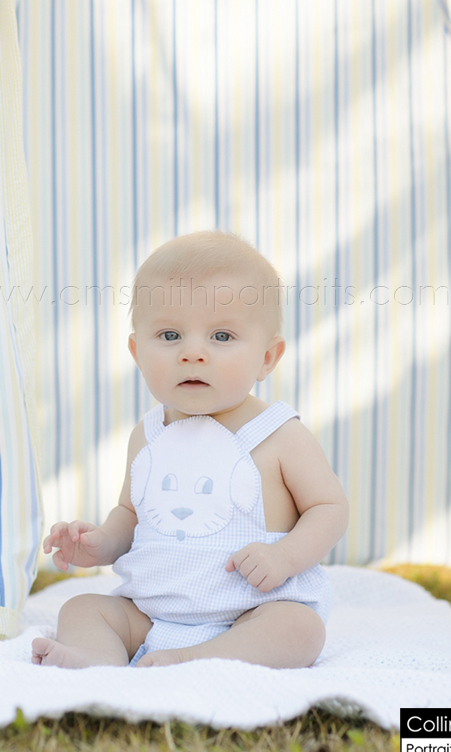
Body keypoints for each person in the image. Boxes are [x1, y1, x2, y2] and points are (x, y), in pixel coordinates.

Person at [32, 231, 348, 669]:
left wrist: (284, 557)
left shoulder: (279, 434)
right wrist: (101, 544)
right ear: (137, 352)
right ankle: (97, 657)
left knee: (299, 630)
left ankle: (195, 658)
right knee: (82, 607)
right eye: (170, 334)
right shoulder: (147, 435)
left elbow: (329, 508)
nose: (193, 353)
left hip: (251, 608)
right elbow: (130, 514)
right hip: (152, 611)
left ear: (267, 357)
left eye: (221, 336)